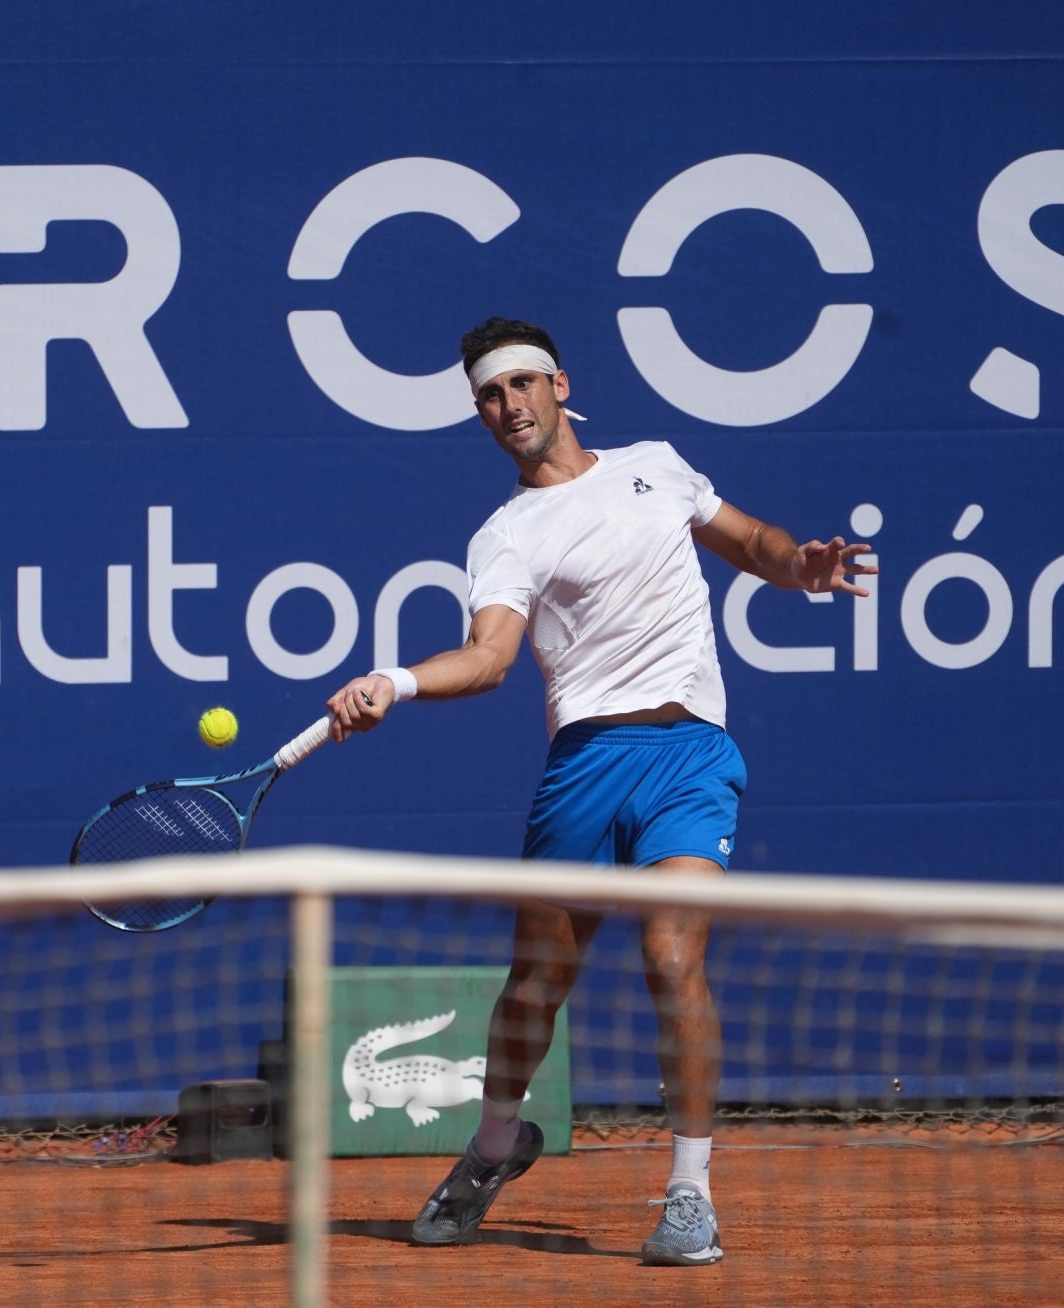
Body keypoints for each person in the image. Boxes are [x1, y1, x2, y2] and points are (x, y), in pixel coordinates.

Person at [324, 317, 876, 1265]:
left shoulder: (655, 465)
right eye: (490, 398)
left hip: (692, 755)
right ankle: (496, 1145)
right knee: (537, 987)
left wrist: (799, 568)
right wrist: (400, 680)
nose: (508, 409)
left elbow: (749, 539)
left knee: (672, 959)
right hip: (584, 764)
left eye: (521, 387)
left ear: (560, 386)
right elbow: (491, 657)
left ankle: (690, 1195)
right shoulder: (505, 533)